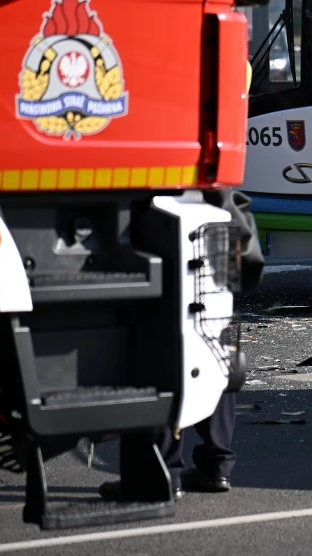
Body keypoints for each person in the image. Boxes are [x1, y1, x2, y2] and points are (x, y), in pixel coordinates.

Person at [99, 189, 265, 500]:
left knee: (161, 348)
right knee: (212, 342)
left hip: (161, 223)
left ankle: (162, 470)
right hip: (212, 224)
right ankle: (217, 466)